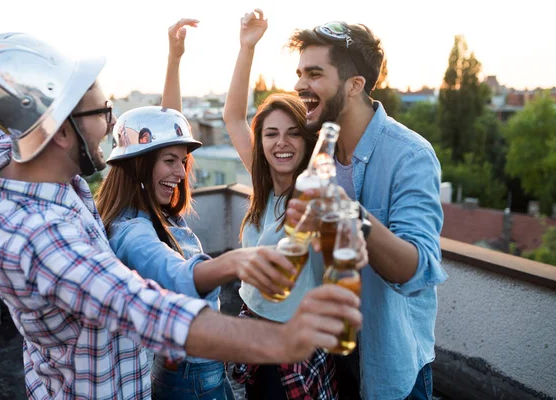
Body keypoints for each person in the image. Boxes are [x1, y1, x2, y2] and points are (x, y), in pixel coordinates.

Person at [0, 8, 363, 399]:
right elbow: (145, 310)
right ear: (61, 131)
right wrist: (282, 338)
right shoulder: (45, 241)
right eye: (103, 112)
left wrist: (175, 58)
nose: (112, 125)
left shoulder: (10, 155)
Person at [96, 19, 303, 399]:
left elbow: (162, 134)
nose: (181, 171)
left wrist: (174, 59)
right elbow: (175, 275)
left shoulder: (149, 209)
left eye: (181, 161)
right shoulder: (134, 231)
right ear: (140, 165)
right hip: (192, 373)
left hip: (195, 366)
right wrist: (235, 262)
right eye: (171, 163)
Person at [285, 21, 448, 400]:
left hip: (390, 361)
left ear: (354, 85)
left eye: (314, 74)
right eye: (298, 74)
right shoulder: (319, 149)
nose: (298, 86)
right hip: (330, 355)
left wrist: (351, 214)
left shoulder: (410, 155)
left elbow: (418, 268)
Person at [223, 10, 369, 400]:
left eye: (292, 134)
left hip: (294, 344)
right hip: (254, 331)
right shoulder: (264, 187)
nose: (281, 143)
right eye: (271, 134)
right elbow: (234, 117)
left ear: (308, 143)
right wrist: (246, 46)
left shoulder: (313, 194)